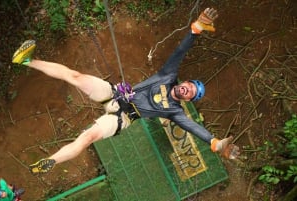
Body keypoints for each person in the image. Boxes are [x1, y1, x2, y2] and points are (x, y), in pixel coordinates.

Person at [12, 8, 240, 175]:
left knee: (87, 138)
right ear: (185, 81)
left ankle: (49, 162)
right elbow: (180, 52)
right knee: (76, 76)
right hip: (113, 94)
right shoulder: (167, 76)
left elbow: (194, 127)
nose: (187, 89)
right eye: (189, 85)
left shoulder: (174, 111)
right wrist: (195, 29)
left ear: (188, 99)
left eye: (191, 93)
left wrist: (215, 143)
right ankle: (27, 60)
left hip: (122, 117)